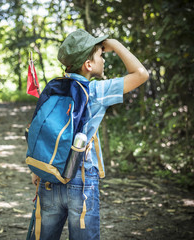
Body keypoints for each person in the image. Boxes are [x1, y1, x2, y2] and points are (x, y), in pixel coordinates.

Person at [29, 29, 149, 240]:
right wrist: (114, 43)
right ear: (88, 65)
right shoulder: (96, 91)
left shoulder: (55, 88)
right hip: (81, 180)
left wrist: (38, 170)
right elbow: (141, 74)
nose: (104, 58)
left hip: (48, 175)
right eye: (101, 55)